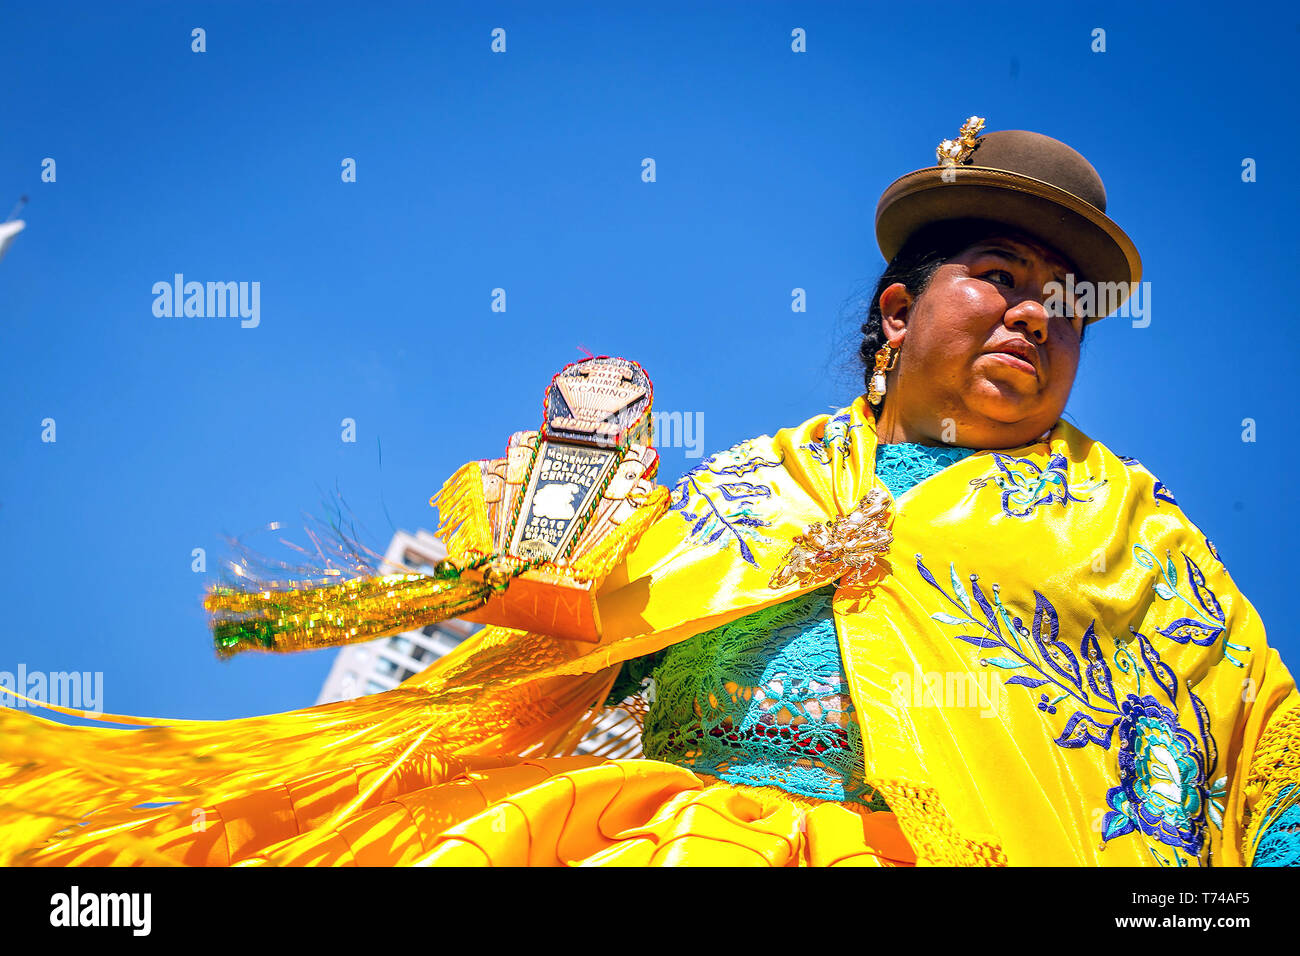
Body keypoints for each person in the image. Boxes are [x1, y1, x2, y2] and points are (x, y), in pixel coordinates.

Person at [2, 118, 1297, 867]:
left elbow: (1263, 750)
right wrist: (566, 487)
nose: (1036, 312)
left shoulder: (1137, 530)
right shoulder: (754, 484)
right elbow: (557, 611)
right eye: (1004, 275)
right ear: (899, 315)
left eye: (1065, 302)